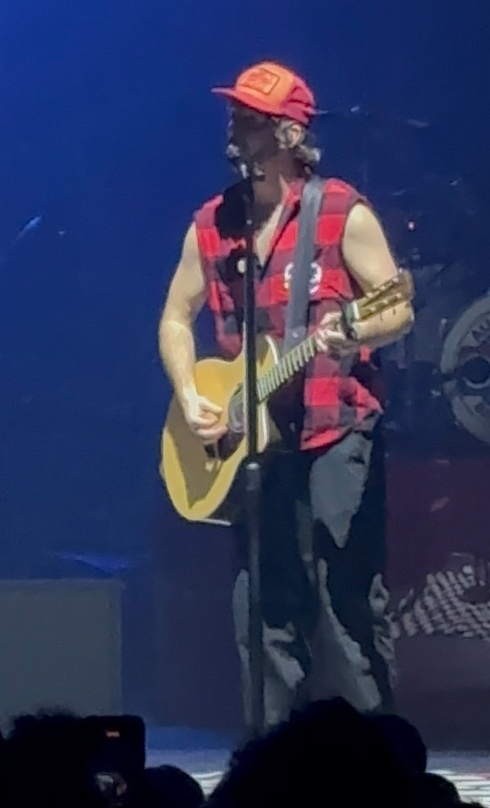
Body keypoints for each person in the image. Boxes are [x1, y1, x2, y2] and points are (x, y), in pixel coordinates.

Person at [158, 61, 412, 724]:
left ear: (292, 133)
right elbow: (174, 319)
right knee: (265, 602)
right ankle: (269, 755)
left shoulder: (340, 213)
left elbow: (396, 309)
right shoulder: (215, 223)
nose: (237, 126)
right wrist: (190, 394)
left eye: (254, 117)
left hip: (335, 427)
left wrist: (348, 333)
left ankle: (379, 753)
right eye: (236, 113)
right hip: (254, 446)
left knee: (343, 598)